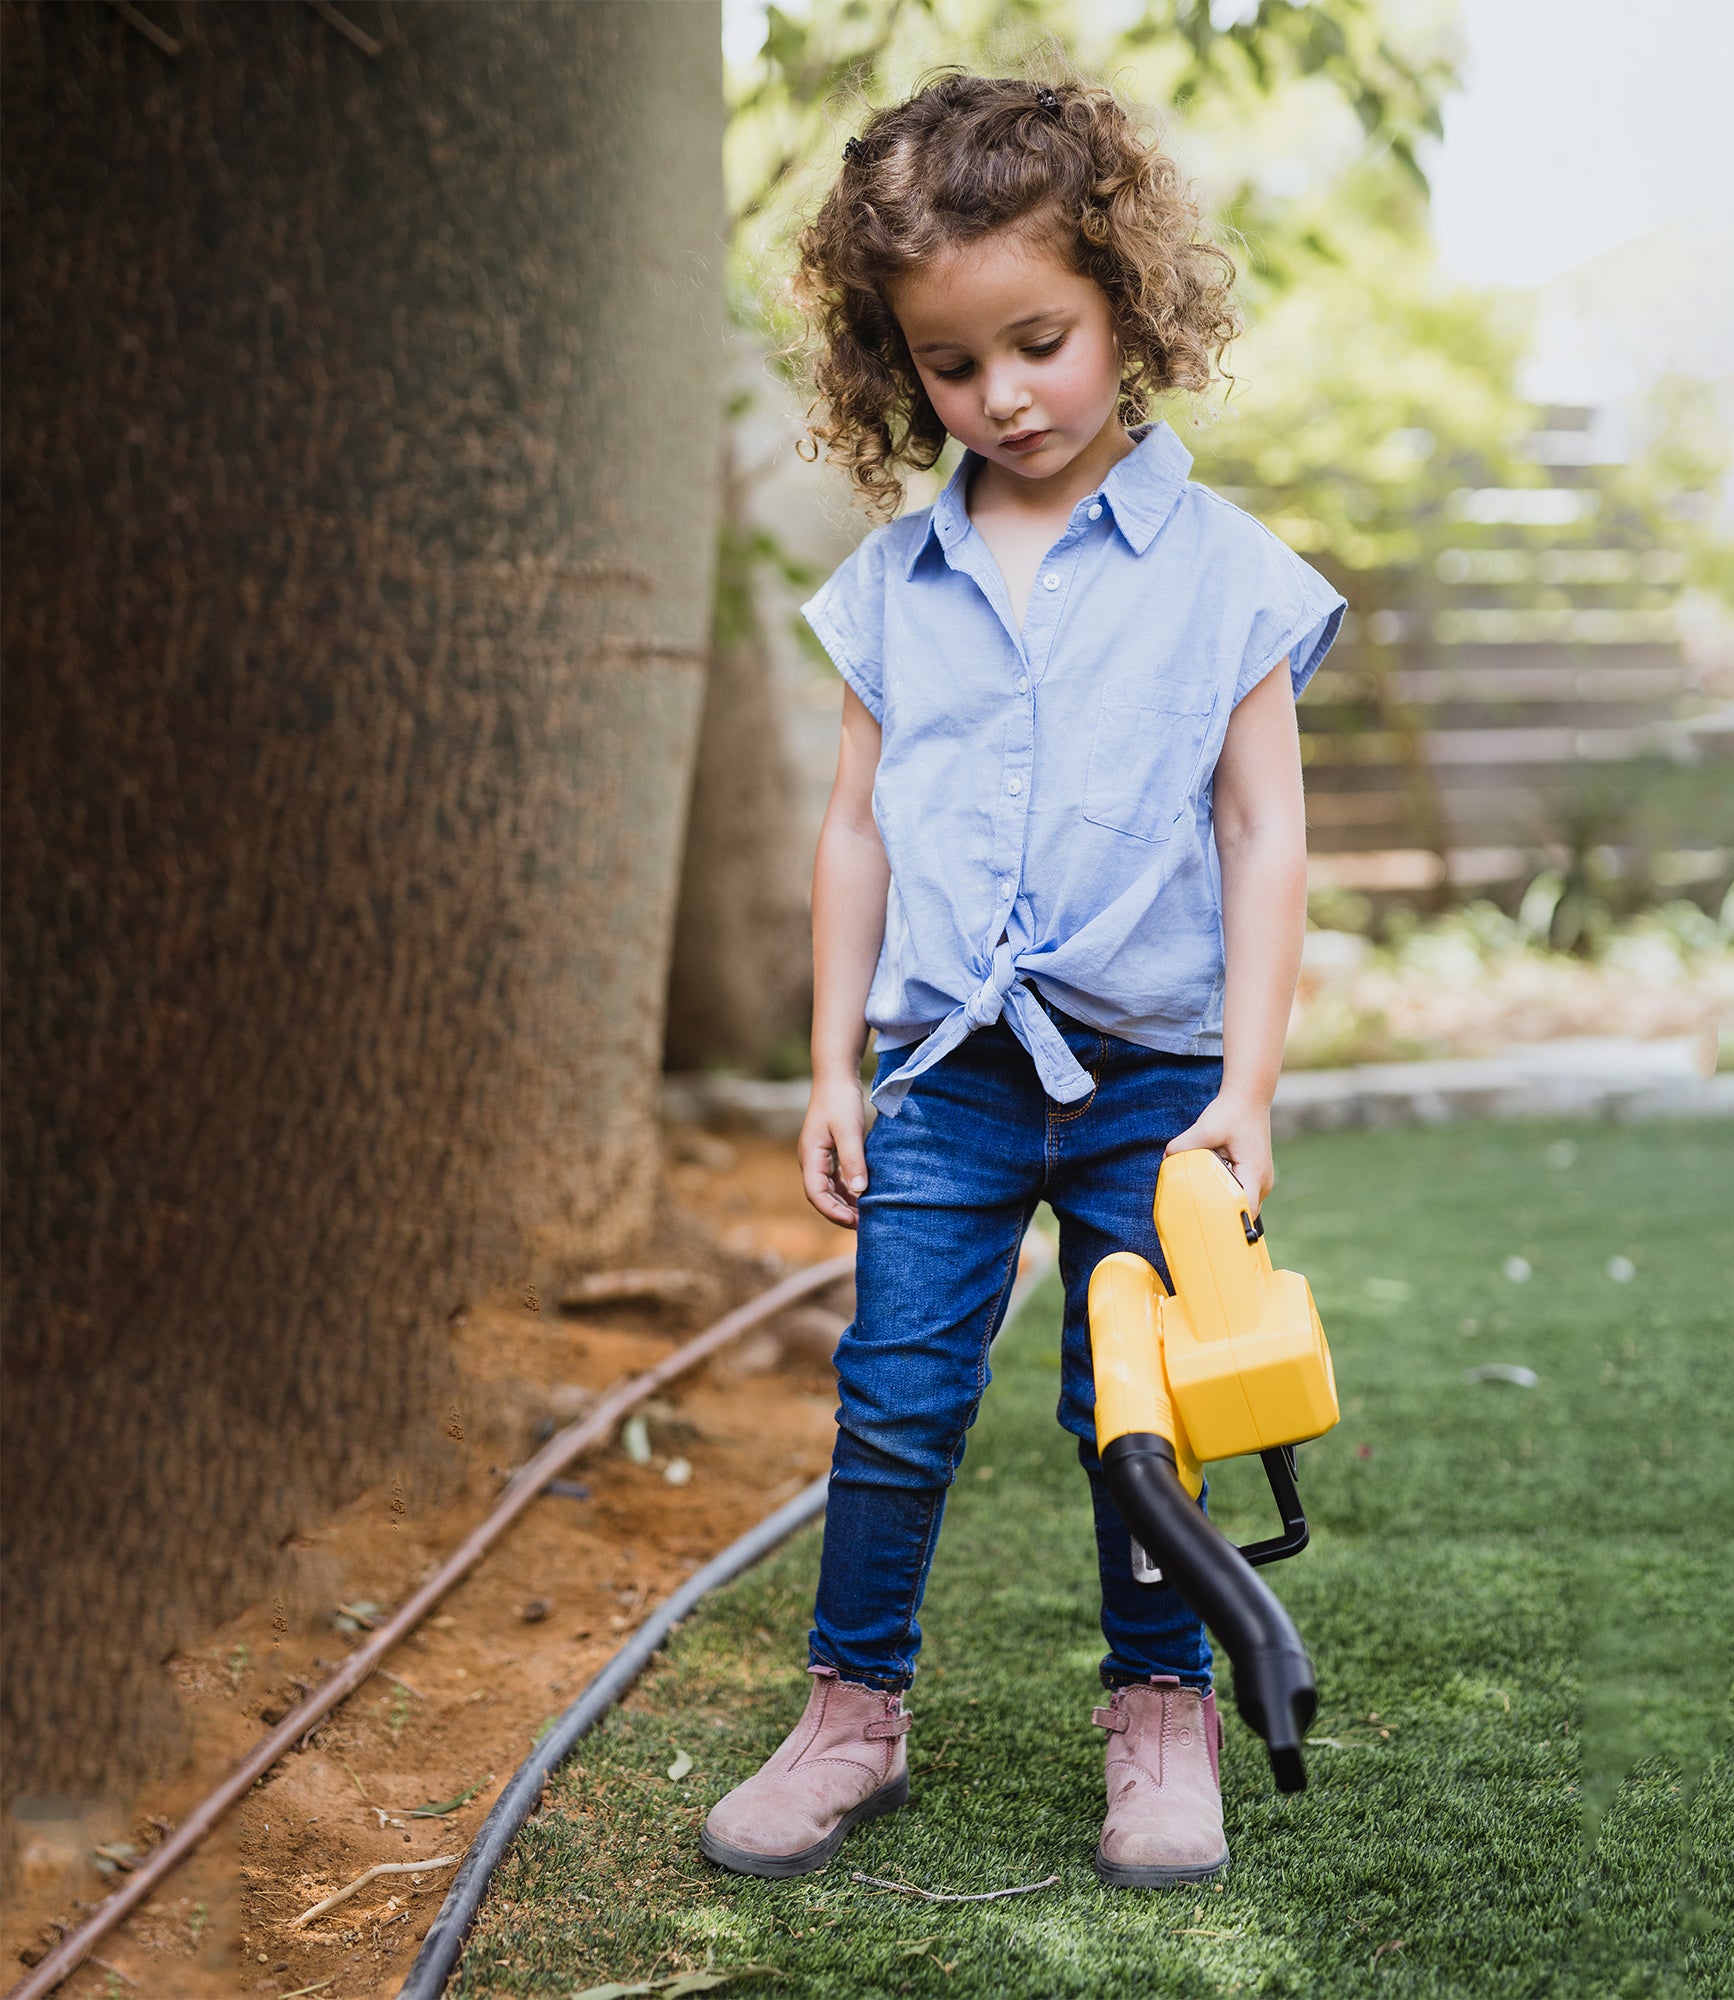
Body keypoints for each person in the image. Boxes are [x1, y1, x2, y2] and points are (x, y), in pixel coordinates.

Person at [699, 71, 1344, 1890]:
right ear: (893, 363)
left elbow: (1263, 840)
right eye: (951, 363)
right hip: (950, 1077)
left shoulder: (1228, 580)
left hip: (1150, 1081)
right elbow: (855, 835)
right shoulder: (891, 587)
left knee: (1131, 1418)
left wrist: (1245, 1092)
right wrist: (837, 1067)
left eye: (1039, 341)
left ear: (1126, 303)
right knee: (896, 1394)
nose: (1004, 396)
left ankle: (1158, 1721)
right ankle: (851, 1716)